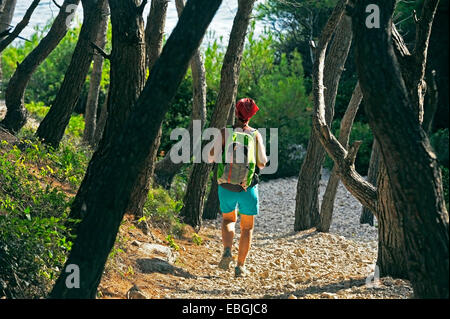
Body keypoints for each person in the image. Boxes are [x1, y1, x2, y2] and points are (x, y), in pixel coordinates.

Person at [208, 98, 268, 277]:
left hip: (225, 184)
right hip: (247, 187)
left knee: (228, 220)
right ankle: (240, 266)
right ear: (251, 115)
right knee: (247, 227)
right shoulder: (255, 134)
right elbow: (263, 163)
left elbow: (210, 157)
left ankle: (227, 250)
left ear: (236, 112)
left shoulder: (224, 132)